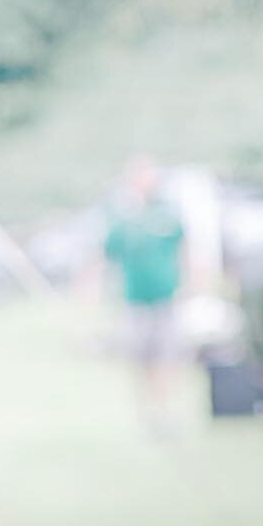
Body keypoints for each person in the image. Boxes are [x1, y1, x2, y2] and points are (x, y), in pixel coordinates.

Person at [103, 158, 187, 429]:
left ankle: (164, 412)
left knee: (165, 359)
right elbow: (109, 254)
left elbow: (184, 249)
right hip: (135, 301)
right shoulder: (123, 216)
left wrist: (191, 285)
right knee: (140, 360)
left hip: (165, 299)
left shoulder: (168, 213)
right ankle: (145, 414)